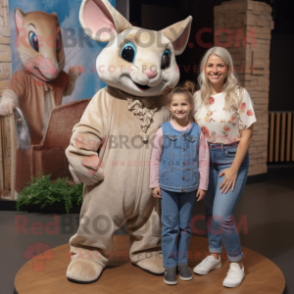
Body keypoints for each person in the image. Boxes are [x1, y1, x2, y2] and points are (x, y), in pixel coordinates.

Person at [193, 46, 257, 288]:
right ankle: (214, 255)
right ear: (204, 69)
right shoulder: (197, 97)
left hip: (232, 158)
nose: (215, 69)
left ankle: (237, 263)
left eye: (220, 65)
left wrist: (234, 168)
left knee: (221, 216)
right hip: (206, 159)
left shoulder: (239, 93)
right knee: (210, 211)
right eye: (210, 65)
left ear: (228, 68)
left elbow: (248, 132)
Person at [150, 81, 209, 285]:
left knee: (185, 227)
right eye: (175, 105)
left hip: (190, 188)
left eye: (184, 104)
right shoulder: (163, 131)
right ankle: (169, 265)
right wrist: (154, 183)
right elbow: (155, 158)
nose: (179, 108)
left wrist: (202, 185)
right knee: (169, 228)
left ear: (191, 106)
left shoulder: (198, 132)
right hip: (167, 188)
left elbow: (203, 159)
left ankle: (182, 262)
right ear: (169, 107)